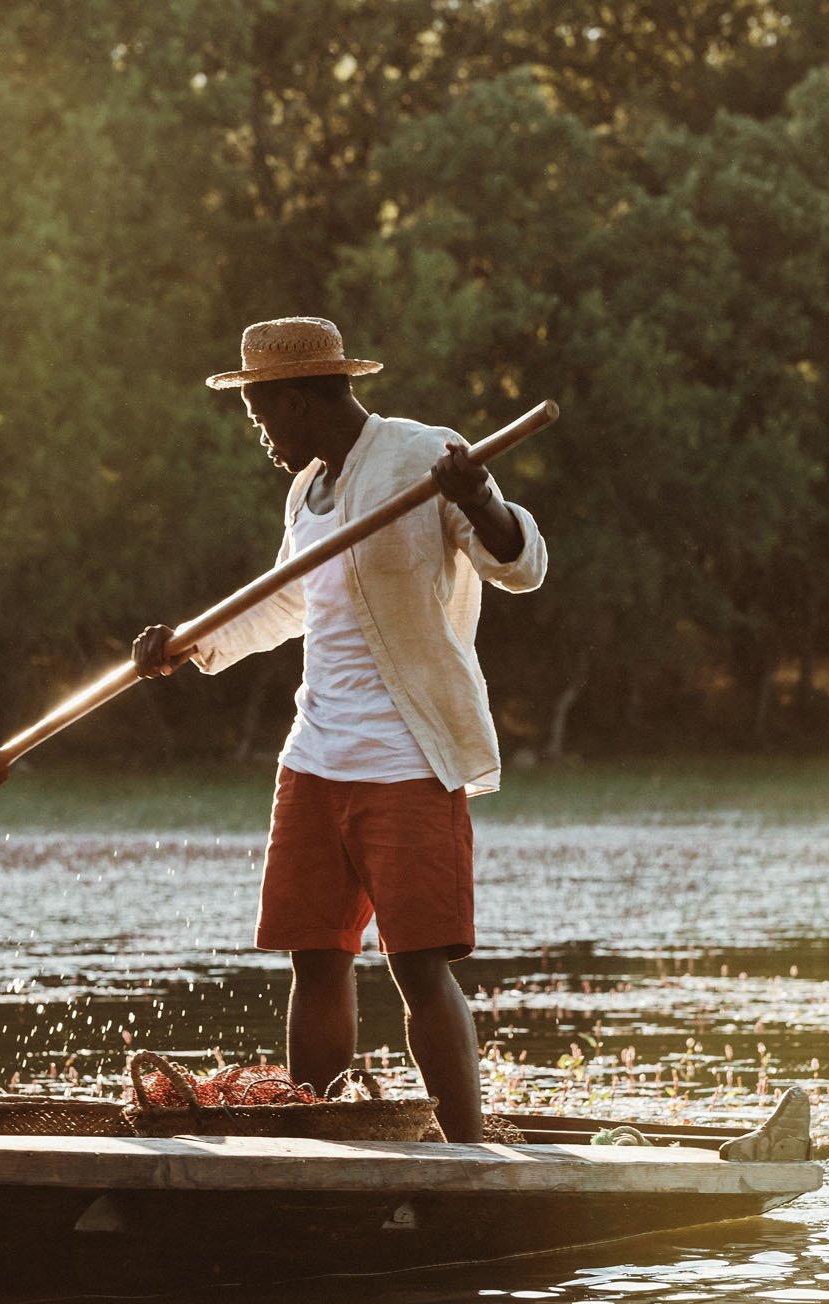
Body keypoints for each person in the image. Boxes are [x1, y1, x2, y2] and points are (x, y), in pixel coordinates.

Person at [131, 316, 547, 1142]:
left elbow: (519, 565)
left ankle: (468, 1154)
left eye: (261, 416)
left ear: (299, 399)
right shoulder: (306, 490)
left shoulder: (423, 454)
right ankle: (312, 1141)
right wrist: (189, 644)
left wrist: (480, 499)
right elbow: (293, 601)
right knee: (315, 956)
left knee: (417, 965)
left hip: (406, 757)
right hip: (314, 757)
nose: (260, 436)